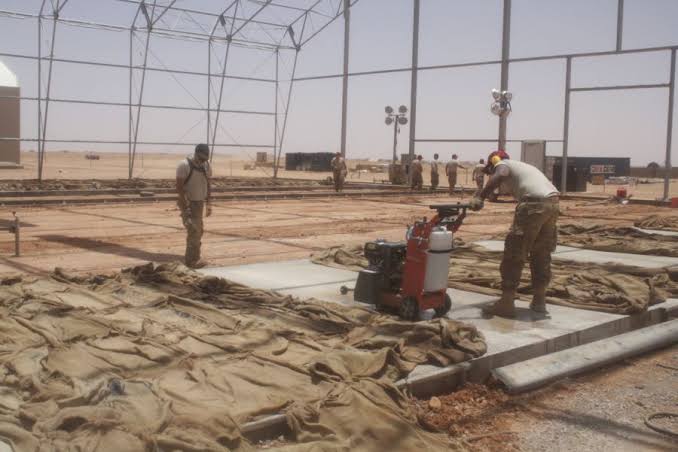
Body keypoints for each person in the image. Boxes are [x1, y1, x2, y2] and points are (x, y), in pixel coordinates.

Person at [469, 150, 559, 318]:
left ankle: (507, 302)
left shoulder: (503, 165)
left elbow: (500, 173)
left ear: (494, 161)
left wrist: (480, 197)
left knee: (515, 252)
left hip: (533, 204)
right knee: (541, 252)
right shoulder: (521, 166)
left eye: (491, 166)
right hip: (552, 204)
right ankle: (539, 300)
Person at [176, 143, 212, 269]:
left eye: (205, 159)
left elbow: (208, 184)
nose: (203, 161)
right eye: (201, 158)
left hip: (199, 202)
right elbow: (179, 188)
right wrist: (186, 207)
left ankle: (195, 257)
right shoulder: (184, 165)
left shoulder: (206, 165)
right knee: (193, 230)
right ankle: (191, 261)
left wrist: (209, 203)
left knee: (199, 230)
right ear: (196, 153)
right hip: (188, 202)